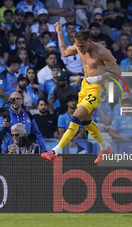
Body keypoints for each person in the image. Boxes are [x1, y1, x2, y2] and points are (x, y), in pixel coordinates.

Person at [41, 24, 117, 163]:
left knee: (76, 116)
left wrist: (97, 78)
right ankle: (105, 148)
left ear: (89, 42)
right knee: (86, 122)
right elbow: (64, 52)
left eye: (82, 46)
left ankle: (55, 151)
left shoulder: (102, 52)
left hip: (98, 88)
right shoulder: (78, 46)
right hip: (85, 87)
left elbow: (116, 73)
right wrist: (59, 32)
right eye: (77, 45)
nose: (79, 49)